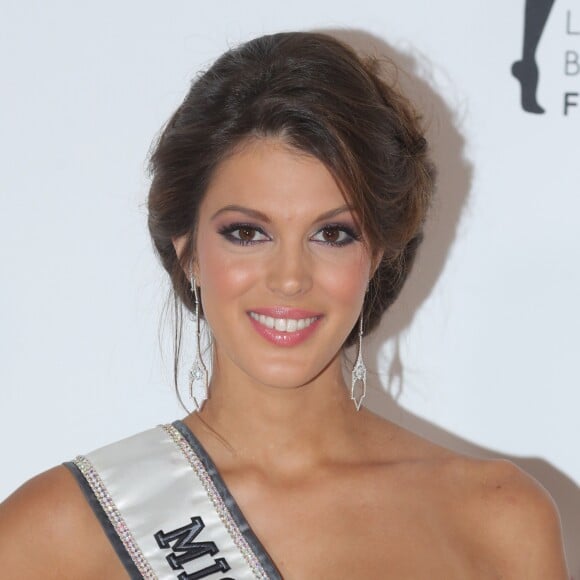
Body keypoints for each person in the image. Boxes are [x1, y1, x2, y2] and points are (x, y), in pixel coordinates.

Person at [0, 31, 568, 579]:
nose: (291, 278)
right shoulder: (54, 534)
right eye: (248, 233)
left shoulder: (498, 519)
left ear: (377, 256)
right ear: (188, 253)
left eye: (333, 234)